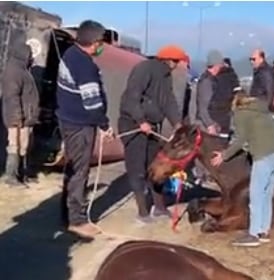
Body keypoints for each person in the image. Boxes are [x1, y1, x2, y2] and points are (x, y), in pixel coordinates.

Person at [56, 20, 113, 238]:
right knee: (80, 172)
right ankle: (77, 220)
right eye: (101, 42)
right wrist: (104, 125)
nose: (101, 47)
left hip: (69, 120)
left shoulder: (70, 54)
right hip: (80, 125)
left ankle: (66, 214)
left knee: (72, 169)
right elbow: (92, 103)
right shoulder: (85, 65)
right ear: (94, 42)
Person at [211, 89, 274, 247]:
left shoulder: (241, 113)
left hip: (264, 156)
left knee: (256, 196)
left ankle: (253, 235)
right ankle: (263, 231)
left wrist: (223, 156)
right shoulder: (263, 111)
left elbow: (240, 140)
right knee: (267, 195)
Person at [118, 45, 184, 224]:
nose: (177, 65)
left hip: (152, 127)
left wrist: (177, 123)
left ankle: (159, 207)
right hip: (133, 125)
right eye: (176, 61)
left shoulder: (166, 76)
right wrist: (140, 121)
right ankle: (142, 211)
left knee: (155, 167)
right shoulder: (144, 69)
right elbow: (132, 96)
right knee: (137, 168)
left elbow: (168, 101)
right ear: (168, 60)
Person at [1, 43, 40, 187]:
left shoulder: (22, 70)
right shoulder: (14, 72)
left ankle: (23, 174)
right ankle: (11, 176)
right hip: (18, 118)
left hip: (25, 117)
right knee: (14, 145)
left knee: (24, 145)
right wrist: (16, 118)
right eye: (29, 55)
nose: (31, 58)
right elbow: (12, 97)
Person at [196, 49, 225, 135]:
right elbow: (203, 107)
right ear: (217, 65)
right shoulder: (207, 82)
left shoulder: (209, 79)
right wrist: (210, 125)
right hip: (206, 127)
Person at [213, 57, 240, 135]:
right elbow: (237, 91)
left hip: (216, 106)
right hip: (228, 105)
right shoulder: (232, 75)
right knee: (225, 129)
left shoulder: (216, 76)